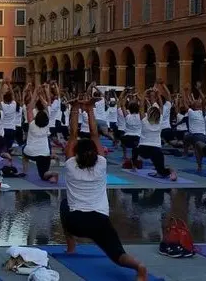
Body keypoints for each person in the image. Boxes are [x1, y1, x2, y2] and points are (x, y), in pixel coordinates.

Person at [62, 96, 148, 281]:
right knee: (117, 254)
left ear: (75, 154)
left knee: (63, 204)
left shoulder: (70, 166)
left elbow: (72, 135)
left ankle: (71, 246)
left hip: (76, 222)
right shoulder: (101, 164)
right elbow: (94, 135)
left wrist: (75, 108)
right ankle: (139, 267)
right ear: (95, 153)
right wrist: (91, 109)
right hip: (100, 220)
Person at [131, 91, 177, 181]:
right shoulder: (160, 122)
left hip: (144, 150)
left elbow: (141, 106)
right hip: (156, 150)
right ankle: (170, 171)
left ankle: (134, 165)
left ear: (149, 114)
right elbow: (161, 107)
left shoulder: (144, 121)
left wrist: (144, 93)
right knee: (162, 172)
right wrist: (158, 94)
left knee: (135, 149)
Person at [22, 84, 59, 183]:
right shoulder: (47, 125)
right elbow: (47, 107)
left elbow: (29, 108)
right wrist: (42, 96)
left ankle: (25, 171)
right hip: (45, 152)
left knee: (24, 153)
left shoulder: (32, 124)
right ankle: (51, 174)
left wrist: (35, 93)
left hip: (31, 152)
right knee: (44, 175)